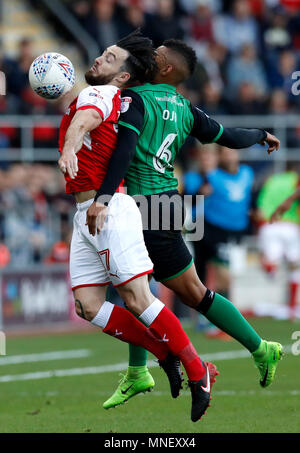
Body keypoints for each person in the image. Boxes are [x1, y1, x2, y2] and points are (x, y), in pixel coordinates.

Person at [86, 38, 283, 409]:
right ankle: (140, 372)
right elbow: (225, 135)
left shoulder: (138, 99)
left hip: (144, 206)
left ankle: (257, 349)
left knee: (175, 292)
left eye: (155, 54)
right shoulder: (185, 108)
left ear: (165, 68)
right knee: (143, 289)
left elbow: (125, 150)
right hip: (167, 203)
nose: (148, 56)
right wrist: (259, 135)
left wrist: (104, 198)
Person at [58, 30, 217, 423]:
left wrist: (69, 148)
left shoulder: (99, 95)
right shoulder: (107, 94)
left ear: (123, 76)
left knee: (137, 297)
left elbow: (84, 122)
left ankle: (198, 371)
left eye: (110, 57)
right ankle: (163, 354)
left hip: (108, 209)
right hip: (87, 213)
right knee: (88, 306)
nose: (99, 59)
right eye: (103, 52)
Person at [184, 145, 255, 338]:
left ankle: (221, 321)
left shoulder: (243, 174)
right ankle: (209, 320)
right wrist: (200, 191)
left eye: (210, 155)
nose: (207, 159)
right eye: (204, 155)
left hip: (228, 232)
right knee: (202, 274)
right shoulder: (202, 178)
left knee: (221, 275)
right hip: (202, 230)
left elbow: (246, 200)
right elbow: (188, 199)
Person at [256, 165, 300, 320]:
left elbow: (260, 205)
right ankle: (292, 310)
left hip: (270, 224)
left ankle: (270, 267)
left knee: (271, 263)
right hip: (290, 224)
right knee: (295, 268)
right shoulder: (295, 180)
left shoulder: (271, 180)